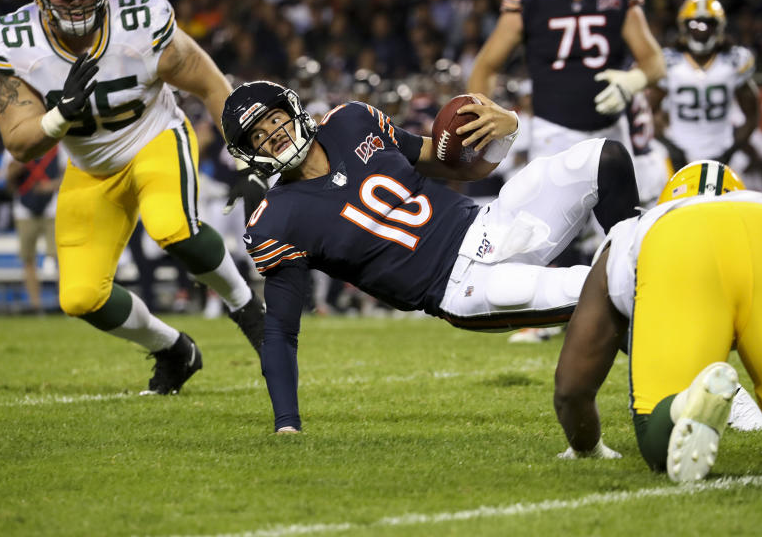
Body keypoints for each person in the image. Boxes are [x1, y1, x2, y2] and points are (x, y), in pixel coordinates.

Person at [220, 80, 642, 433]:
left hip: (491, 224)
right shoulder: (275, 220)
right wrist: (287, 423)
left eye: (273, 119)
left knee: (605, 158)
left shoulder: (352, 120)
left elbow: (458, 165)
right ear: (249, 152)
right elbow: (280, 331)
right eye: (257, 135)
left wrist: (507, 127)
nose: (271, 133)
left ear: (292, 110)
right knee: (608, 292)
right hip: (463, 285)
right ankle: (654, 396)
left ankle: (640, 257)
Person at [0, 0, 264, 395]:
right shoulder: (17, 40)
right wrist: (58, 119)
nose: (75, 3)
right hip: (90, 168)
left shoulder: (140, 20)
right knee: (80, 297)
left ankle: (248, 309)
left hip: (153, 139)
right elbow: (18, 143)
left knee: (172, 226)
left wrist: (246, 159)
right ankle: (174, 349)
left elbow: (212, 84)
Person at [552, 160, 762, 482]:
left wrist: (586, 447)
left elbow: (572, 387)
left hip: (677, 240)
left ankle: (683, 405)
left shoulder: (637, 228)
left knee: (658, 440)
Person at [467, 0, 665, 341]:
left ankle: (636, 304)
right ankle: (535, 315)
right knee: (542, 227)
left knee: (621, 226)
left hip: (610, 129)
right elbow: (486, 65)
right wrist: (481, 113)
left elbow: (653, 60)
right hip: (555, 127)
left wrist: (633, 79)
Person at [647, 0, 760, 171]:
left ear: (719, 27)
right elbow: (646, 112)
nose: (701, 30)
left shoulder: (734, 61)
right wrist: (671, 148)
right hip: (678, 150)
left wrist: (730, 151)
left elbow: (752, 115)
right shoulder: (670, 62)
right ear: (683, 27)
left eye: (708, 24)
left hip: (723, 148)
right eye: (694, 24)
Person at [0, 146, 67, 313]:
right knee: (28, 259)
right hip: (24, 209)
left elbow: (69, 176)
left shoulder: (58, 144)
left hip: (52, 208)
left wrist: (50, 185)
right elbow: (8, 182)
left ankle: (65, 305)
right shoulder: (14, 145)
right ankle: (35, 306)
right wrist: (16, 168)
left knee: (61, 258)